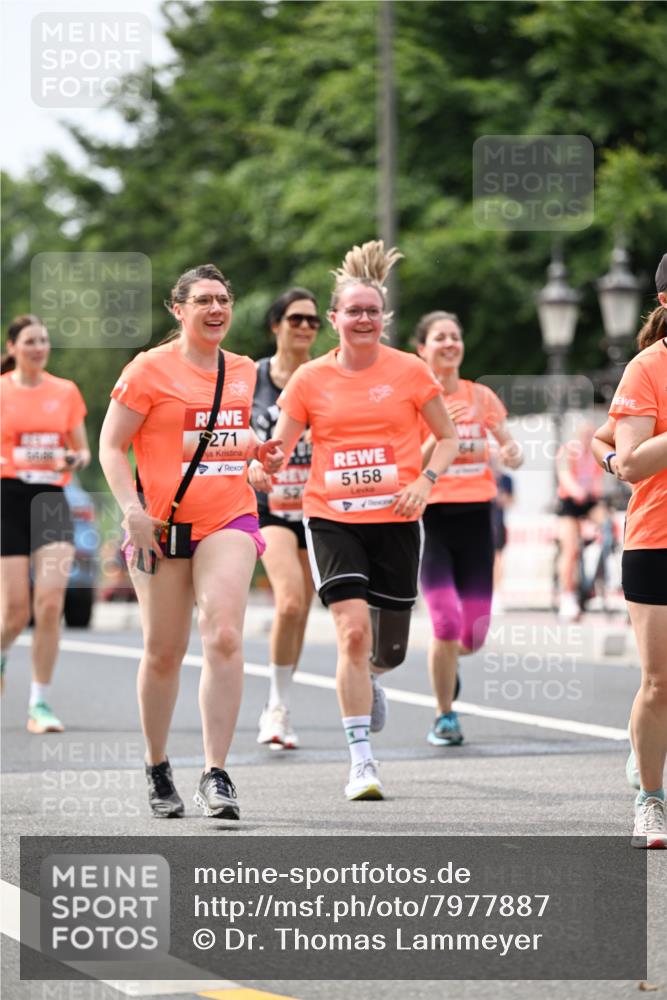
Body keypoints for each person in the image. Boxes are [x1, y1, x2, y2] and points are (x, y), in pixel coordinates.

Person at [267, 241, 458, 801]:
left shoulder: (410, 372)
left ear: (383, 318)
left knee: (389, 650)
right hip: (331, 517)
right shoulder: (308, 380)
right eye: (353, 311)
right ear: (334, 319)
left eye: (372, 311)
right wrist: (264, 464)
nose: (363, 319)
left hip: (397, 517)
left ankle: (373, 677)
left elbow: (445, 438)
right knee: (351, 632)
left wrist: (424, 482)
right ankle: (361, 763)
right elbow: (281, 446)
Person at [99, 264, 282, 821]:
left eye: (223, 298)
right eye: (202, 299)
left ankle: (216, 772)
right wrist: (132, 512)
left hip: (228, 518)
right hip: (158, 526)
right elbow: (112, 446)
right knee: (164, 651)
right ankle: (158, 766)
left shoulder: (244, 370)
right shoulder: (147, 370)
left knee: (224, 633)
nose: (215, 308)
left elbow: (225, 432)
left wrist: (257, 455)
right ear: (177, 309)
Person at [414, 311, 523, 747]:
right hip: (434, 519)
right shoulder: (415, 398)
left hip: (479, 516)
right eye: (439, 337)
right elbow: (409, 464)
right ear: (422, 348)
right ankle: (444, 715)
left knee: (472, 636)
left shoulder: (482, 396)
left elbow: (508, 445)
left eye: (454, 337)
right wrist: (444, 433)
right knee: (443, 624)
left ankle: (445, 665)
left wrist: (513, 453)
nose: (448, 343)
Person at [593, 254, 667, 846]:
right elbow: (632, 461)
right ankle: (650, 797)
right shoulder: (648, 368)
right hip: (656, 537)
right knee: (659, 682)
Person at [1, 314, 90, 731]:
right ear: (13, 347)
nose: (39, 347)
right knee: (15, 613)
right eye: (30, 341)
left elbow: (83, 450)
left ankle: (39, 703)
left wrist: (75, 459)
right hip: (8, 499)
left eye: (44, 340)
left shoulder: (65, 391)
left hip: (51, 498)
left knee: (50, 604)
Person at [248, 288, 319, 749]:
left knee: (303, 610)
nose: (306, 327)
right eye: (296, 319)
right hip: (269, 507)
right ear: (276, 324)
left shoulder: (323, 376)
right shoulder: (250, 380)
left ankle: (283, 704)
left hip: (318, 508)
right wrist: (248, 464)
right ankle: (274, 706)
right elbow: (229, 433)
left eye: (314, 321)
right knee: (289, 601)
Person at [555, 421, 604, 620]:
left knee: (608, 524)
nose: (588, 440)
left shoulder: (595, 454)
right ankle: (567, 595)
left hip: (589, 501)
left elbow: (598, 482)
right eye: (586, 435)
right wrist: (577, 491)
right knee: (570, 549)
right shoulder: (567, 451)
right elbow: (564, 476)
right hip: (570, 501)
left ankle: (601, 568)